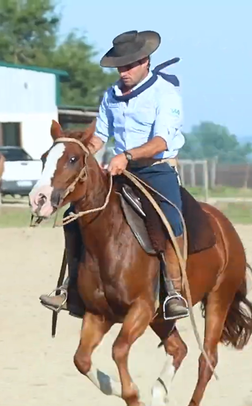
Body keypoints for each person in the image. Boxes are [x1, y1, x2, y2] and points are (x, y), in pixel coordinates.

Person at [39, 29, 190, 321]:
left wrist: (127, 156)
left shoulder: (165, 94)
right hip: (119, 171)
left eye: (129, 66)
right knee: (74, 217)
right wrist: (79, 153)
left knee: (171, 220)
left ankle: (174, 291)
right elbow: (100, 138)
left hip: (156, 169)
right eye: (120, 67)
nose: (124, 72)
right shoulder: (111, 95)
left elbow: (161, 142)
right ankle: (69, 287)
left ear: (145, 61)